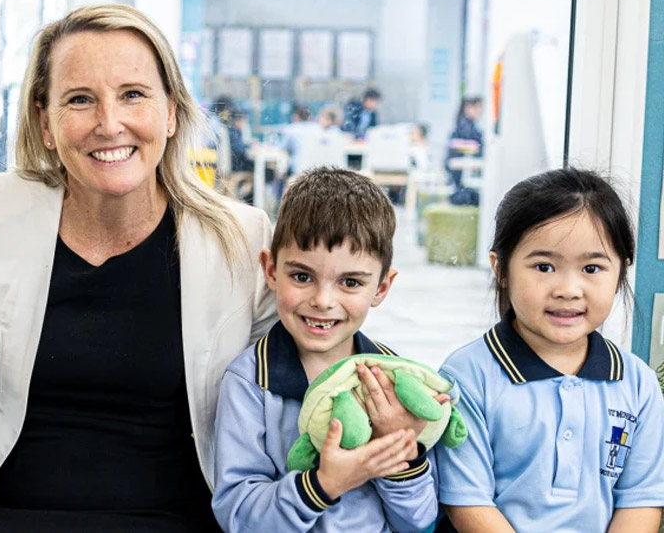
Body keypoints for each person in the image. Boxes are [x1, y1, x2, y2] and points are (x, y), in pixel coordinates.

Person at [0, 3, 276, 532]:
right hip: (5, 514)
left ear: (170, 112)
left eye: (133, 95)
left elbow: (287, 395)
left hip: (172, 518)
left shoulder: (242, 239)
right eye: (80, 100)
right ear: (45, 121)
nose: (110, 123)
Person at [212, 167, 442, 533]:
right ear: (270, 270)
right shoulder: (249, 382)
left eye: (350, 282)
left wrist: (400, 448)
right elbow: (238, 516)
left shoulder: (396, 380)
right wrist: (323, 485)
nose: (322, 301)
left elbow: (419, 522)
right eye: (302, 276)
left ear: (382, 288)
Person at [436, 169, 664, 532]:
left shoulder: (638, 384)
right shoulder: (466, 376)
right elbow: (467, 503)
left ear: (621, 271)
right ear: (502, 268)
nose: (569, 289)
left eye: (592, 268)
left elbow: (641, 501)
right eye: (544, 266)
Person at [446, 97, 483, 205]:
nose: (479, 112)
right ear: (468, 108)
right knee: (466, 193)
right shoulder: (464, 126)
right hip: (460, 165)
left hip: (461, 165)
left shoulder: (468, 125)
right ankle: (450, 200)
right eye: (477, 109)